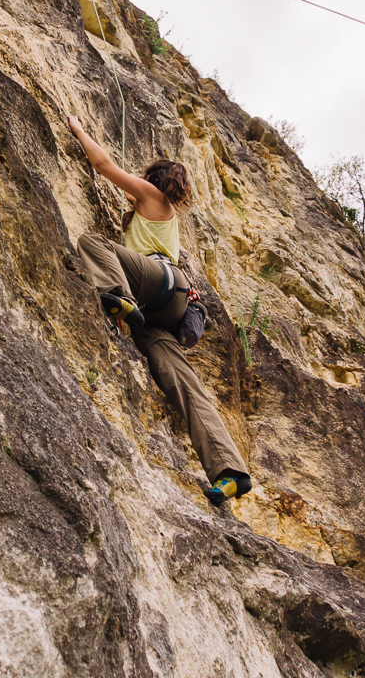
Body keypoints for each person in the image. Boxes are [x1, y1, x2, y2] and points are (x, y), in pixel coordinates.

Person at [69, 115, 252, 505]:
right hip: (166, 307)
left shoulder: (153, 196)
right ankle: (230, 471)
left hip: (155, 284)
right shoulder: (168, 215)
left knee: (92, 241)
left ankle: (119, 299)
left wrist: (79, 128)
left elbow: (103, 166)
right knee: (183, 383)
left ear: (153, 179)